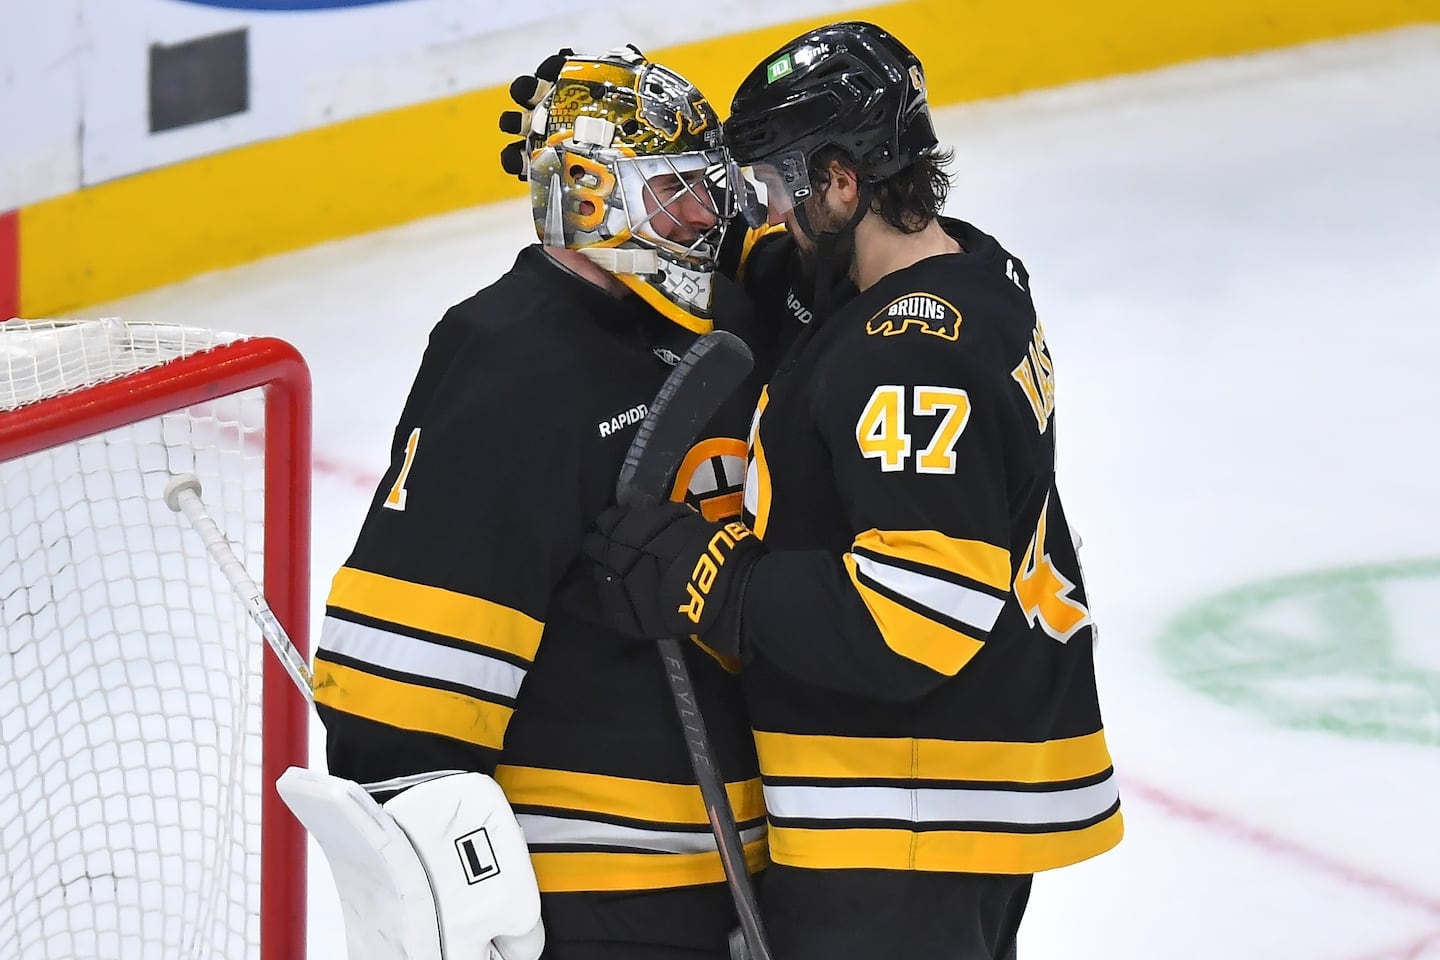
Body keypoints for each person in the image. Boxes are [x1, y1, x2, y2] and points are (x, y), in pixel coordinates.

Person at [582, 21, 1123, 960]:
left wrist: (718, 581)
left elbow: (920, 615)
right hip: (948, 797)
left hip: (910, 816)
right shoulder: (970, 270)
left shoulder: (909, 361)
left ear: (841, 181)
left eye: (781, 186)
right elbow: (811, 298)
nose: (765, 211)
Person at [312, 47, 771, 960]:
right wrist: (448, 893)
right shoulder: (512, 359)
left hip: (733, 862)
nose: (706, 217)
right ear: (594, 197)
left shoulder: (709, 319)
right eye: (678, 190)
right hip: (599, 888)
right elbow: (401, 694)